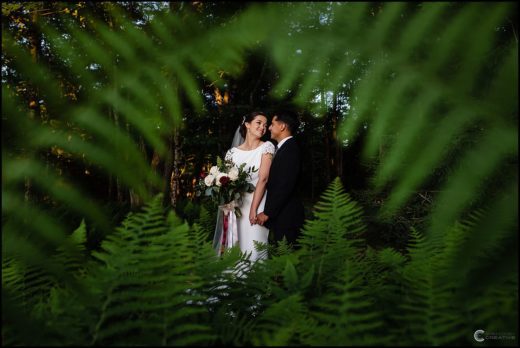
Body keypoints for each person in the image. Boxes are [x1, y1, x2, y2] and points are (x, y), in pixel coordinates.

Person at [225, 111, 275, 261]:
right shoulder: (232, 153)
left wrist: (254, 209)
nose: (263, 127)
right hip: (236, 205)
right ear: (247, 124)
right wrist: (228, 206)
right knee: (236, 245)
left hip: (258, 203)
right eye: (258, 123)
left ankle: (255, 282)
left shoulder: (267, 147)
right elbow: (226, 182)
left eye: (265, 125)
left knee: (255, 246)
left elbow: (264, 178)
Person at [256, 110, 304, 248]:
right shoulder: (283, 148)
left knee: (288, 257)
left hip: (288, 215)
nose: (269, 128)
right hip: (282, 214)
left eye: (272, 124)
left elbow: (284, 185)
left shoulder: (291, 149)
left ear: (282, 126)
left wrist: (267, 212)